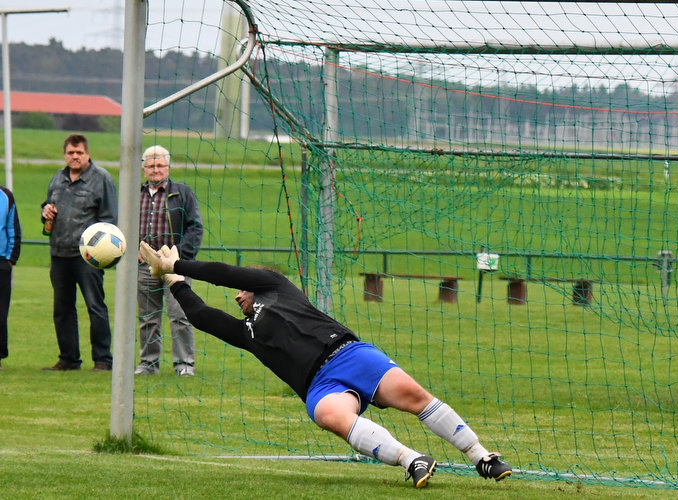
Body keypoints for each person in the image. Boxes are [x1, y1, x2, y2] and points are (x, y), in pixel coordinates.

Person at [139, 242, 512, 488]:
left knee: (414, 396)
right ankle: (412, 460)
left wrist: (178, 262)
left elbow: (225, 273)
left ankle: (481, 457)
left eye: (242, 290)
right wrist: (172, 279)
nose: (237, 295)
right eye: (236, 294)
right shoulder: (246, 333)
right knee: (327, 415)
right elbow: (203, 316)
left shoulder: (275, 285)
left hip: (348, 353)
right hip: (320, 385)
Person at [41, 133, 117, 372]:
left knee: (95, 306)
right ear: (65, 155)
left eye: (79, 153)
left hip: (88, 256)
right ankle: (68, 359)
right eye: (70, 153)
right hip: (59, 252)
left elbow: (109, 220)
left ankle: (103, 360)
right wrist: (45, 211)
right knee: (62, 308)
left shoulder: (101, 179)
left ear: (88, 154)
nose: (74, 157)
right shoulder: (57, 178)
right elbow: (47, 206)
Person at [136, 145, 203, 376]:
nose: (156, 170)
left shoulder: (183, 193)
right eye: (151, 165)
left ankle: (184, 364)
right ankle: (148, 364)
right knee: (147, 318)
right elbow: (124, 225)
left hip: (175, 265)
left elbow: (195, 227)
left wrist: (178, 257)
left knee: (181, 316)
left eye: (161, 165)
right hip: (145, 266)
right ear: (143, 168)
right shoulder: (136, 193)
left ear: (168, 167)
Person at [0, 185, 21, 370]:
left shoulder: (6, 196)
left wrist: (10, 260)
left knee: (0, 313)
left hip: (1, 263)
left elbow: (13, 229)